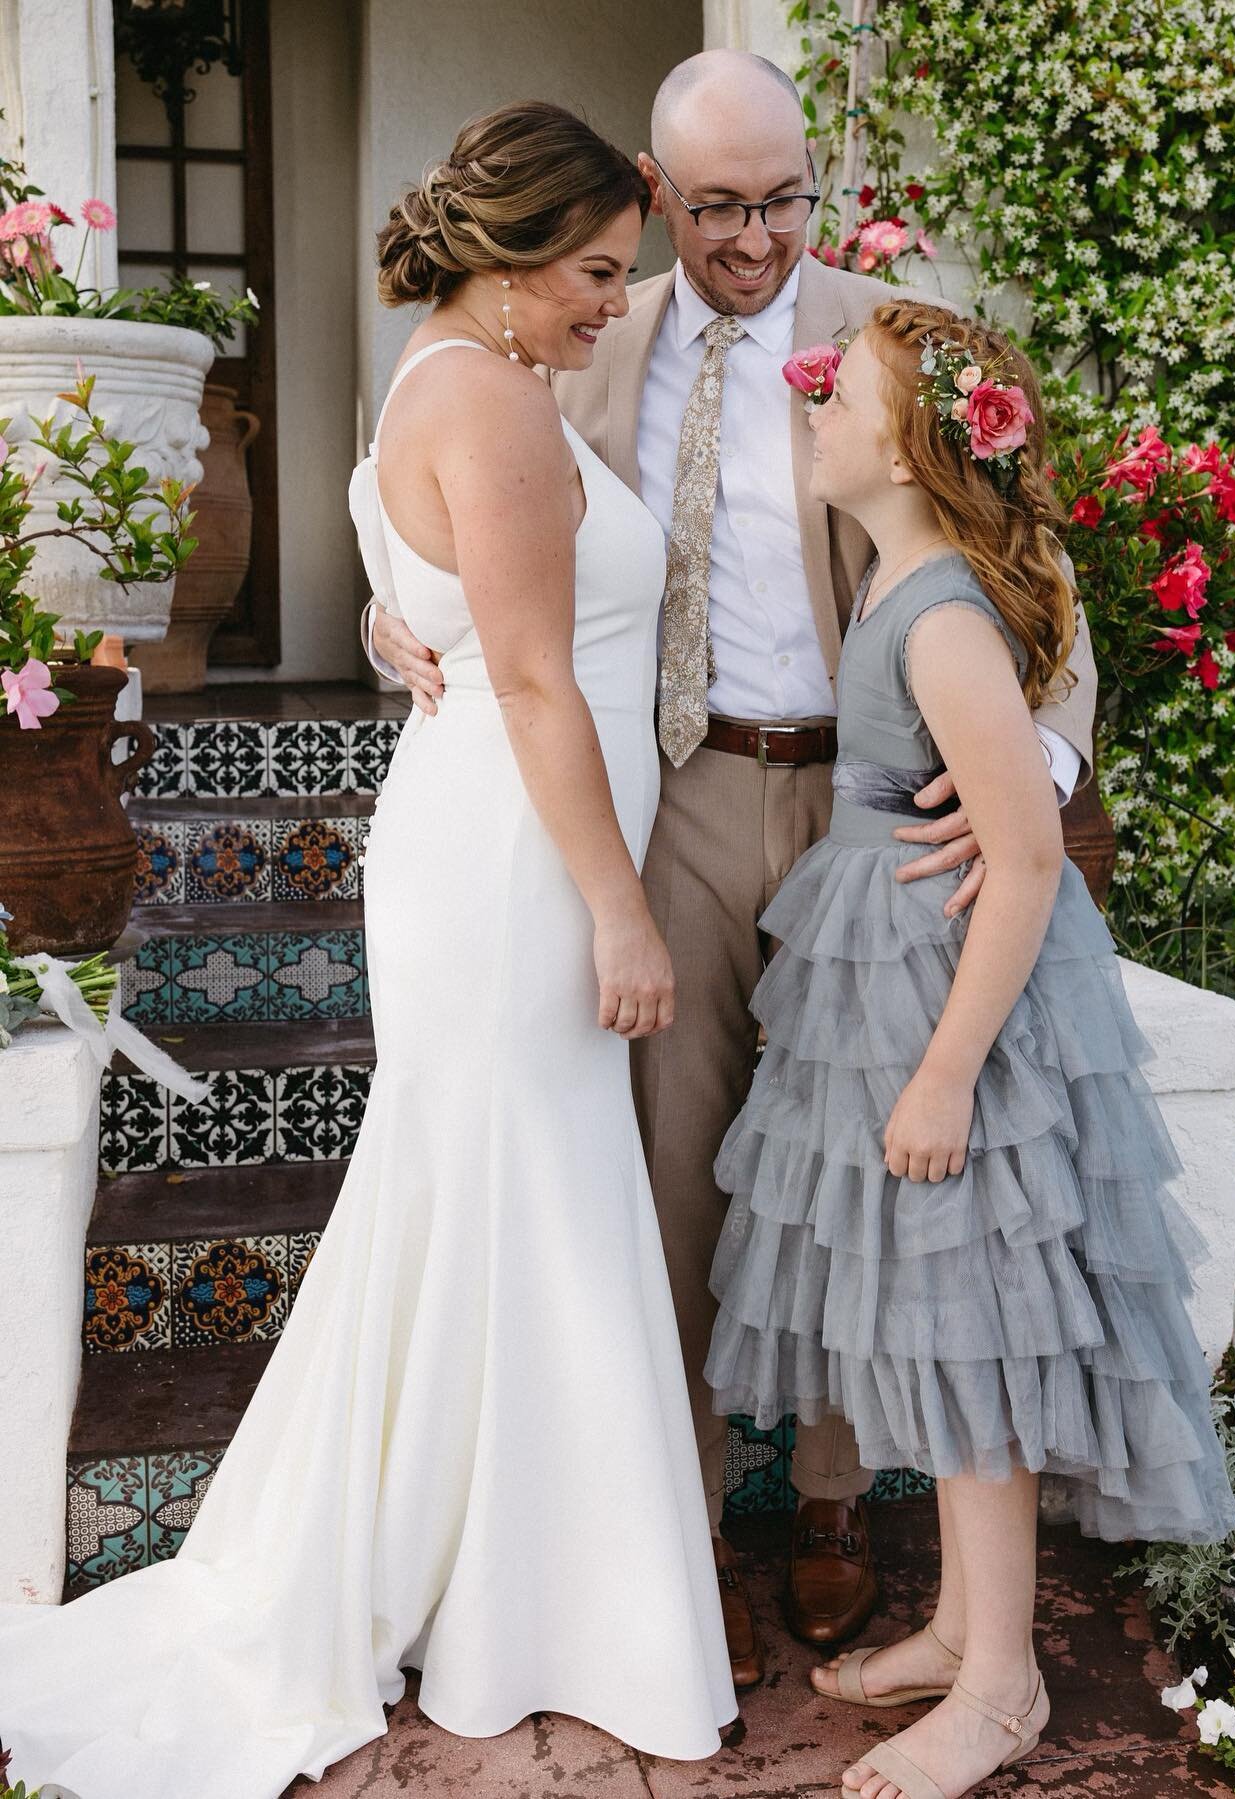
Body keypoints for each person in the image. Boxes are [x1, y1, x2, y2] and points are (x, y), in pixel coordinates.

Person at [0, 101, 736, 1799]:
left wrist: (396, 623)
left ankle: (519, 1598)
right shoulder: (480, 394)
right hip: (517, 863)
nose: (612, 303)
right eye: (598, 273)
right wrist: (621, 904)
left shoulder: (463, 379)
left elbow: (456, 610)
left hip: (500, 835)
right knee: (518, 1204)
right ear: (517, 250)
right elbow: (541, 679)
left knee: (495, 1209)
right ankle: (534, 1610)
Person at [366, 49, 1100, 1687]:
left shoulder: (889, 338)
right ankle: (674, 1512)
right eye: (715, 207)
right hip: (672, 797)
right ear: (654, 186)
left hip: (874, 808)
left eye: (784, 202)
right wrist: (400, 609)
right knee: (673, 1160)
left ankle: (833, 1503)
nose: (755, 239)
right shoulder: (575, 317)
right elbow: (459, 504)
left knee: (850, 1165)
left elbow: (1024, 552)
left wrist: (1031, 771)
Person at [704, 300, 1235, 1799]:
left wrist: (945, 1074)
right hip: (897, 973)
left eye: (837, 396)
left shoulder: (937, 618)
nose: (810, 407)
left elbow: (1024, 857)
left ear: (915, 445)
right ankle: (958, 1629)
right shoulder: (900, 584)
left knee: (971, 1332)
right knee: (933, 1324)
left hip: (957, 1010)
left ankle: (1002, 1685)